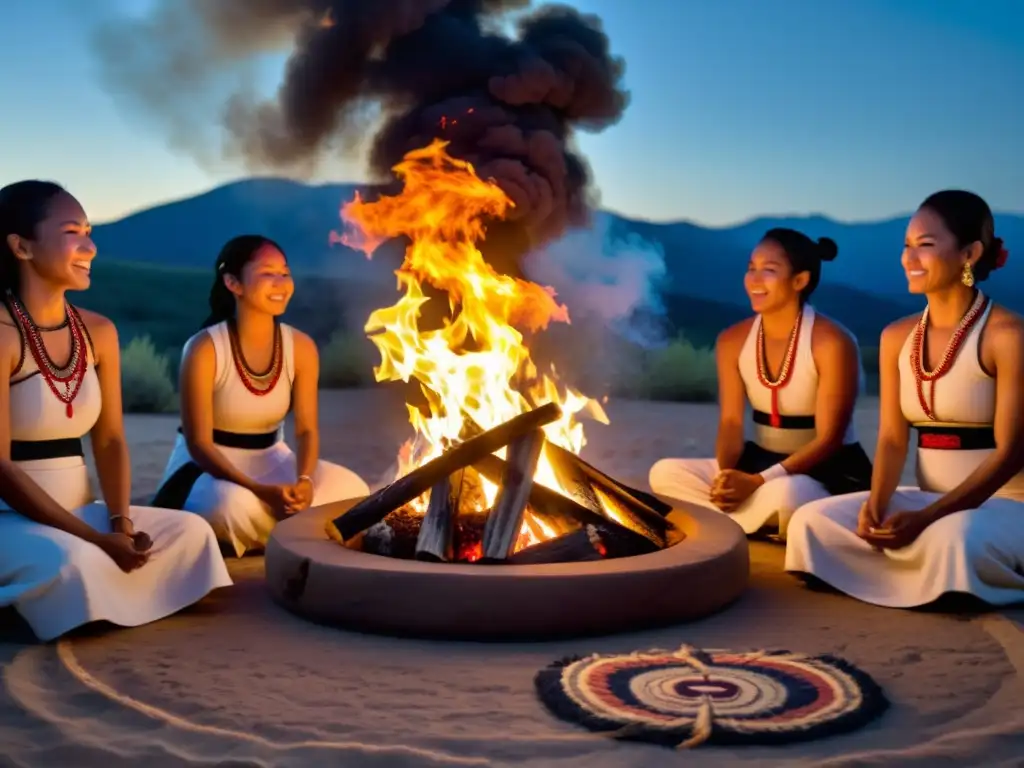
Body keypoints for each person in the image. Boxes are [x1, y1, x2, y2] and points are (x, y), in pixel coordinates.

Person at [0, 180, 232, 642]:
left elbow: (109, 441)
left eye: (89, 231)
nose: (91, 246)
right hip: (10, 518)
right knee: (78, 562)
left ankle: (71, 590)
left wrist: (120, 523)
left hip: (81, 512)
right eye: (73, 232)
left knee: (192, 533)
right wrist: (96, 541)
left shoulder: (99, 331)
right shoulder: (3, 334)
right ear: (21, 246)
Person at [785, 190, 1024, 607]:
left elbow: (1011, 452)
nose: (908, 258)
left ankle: (933, 568)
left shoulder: (1007, 336)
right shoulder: (896, 337)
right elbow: (894, 440)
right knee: (810, 522)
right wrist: (876, 506)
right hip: (927, 499)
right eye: (906, 245)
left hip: (1003, 507)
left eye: (925, 246)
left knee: (956, 540)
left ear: (970, 253)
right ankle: (925, 571)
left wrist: (928, 518)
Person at [151, 235, 369, 557]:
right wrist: (261, 492)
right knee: (229, 506)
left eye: (285, 273)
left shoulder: (301, 347)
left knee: (353, 490)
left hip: (271, 458)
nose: (281, 282)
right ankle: (301, 534)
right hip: (207, 467)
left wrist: (305, 481)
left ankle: (282, 531)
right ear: (233, 283)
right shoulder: (204, 348)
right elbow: (199, 445)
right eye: (268, 273)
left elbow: (306, 429)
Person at [649, 228, 872, 539]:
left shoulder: (832, 341)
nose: (754, 279)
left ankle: (738, 520)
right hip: (758, 462)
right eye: (751, 268)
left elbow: (831, 439)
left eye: (768, 270)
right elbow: (730, 423)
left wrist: (756, 483)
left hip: (824, 471)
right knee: (665, 473)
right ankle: (755, 520)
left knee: (786, 496)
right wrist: (727, 477)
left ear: (799, 281)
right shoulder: (732, 340)